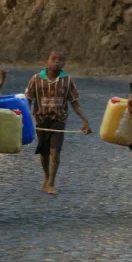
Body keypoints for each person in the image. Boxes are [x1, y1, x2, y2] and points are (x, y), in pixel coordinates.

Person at [25, 51, 92, 195]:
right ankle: (46, 178)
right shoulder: (36, 79)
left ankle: (51, 182)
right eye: (53, 59)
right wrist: (25, 118)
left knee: (55, 151)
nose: (56, 62)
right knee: (44, 153)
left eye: (60, 60)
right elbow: (28, 100)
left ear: (64, 64)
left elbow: (74, 102)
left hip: (58, 120)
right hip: (41, 120)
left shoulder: (67, 80)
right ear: (47, 61)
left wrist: (85, 120)